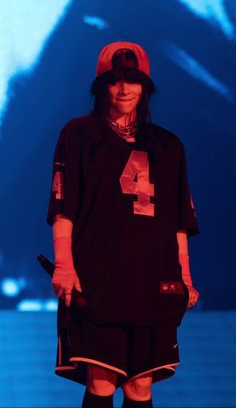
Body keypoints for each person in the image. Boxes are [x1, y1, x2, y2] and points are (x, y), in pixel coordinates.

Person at [46, 41, 200, 408]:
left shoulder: (168, 146)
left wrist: (186, 275)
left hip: (154, 277)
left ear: (145, 85)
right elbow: (63, 206)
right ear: (101, 86)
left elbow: (179, 220)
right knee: (102, 379)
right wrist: (64, 265)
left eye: (133, 80)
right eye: (114, 80)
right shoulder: (79, 135)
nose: (124, 89)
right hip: (98, 276)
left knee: (141, 385)